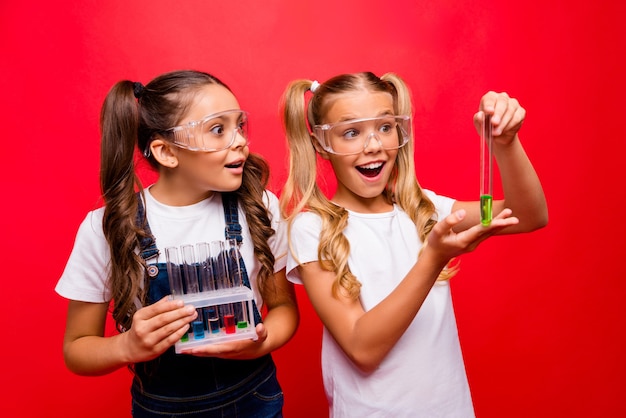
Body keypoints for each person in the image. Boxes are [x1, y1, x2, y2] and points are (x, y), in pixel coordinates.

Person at [279, 71, 548, 417]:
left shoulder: (421, 209)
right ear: (320, 144)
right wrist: (432, 258)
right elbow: (362, 348)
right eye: (351, 132)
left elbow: (528, 215)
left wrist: (506, 143)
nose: (373, 145)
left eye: (385, 127)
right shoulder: (312, 228)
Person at [56, 70, 299, 417]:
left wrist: (258, 345)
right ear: (166, 152)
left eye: (239, 125)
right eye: (218, 129)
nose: (240, 140)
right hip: (163, 408)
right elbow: (76, 350)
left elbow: (284, 311)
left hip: (254, 397)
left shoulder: (259, 206)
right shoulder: (106, 228)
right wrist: (127, 345)